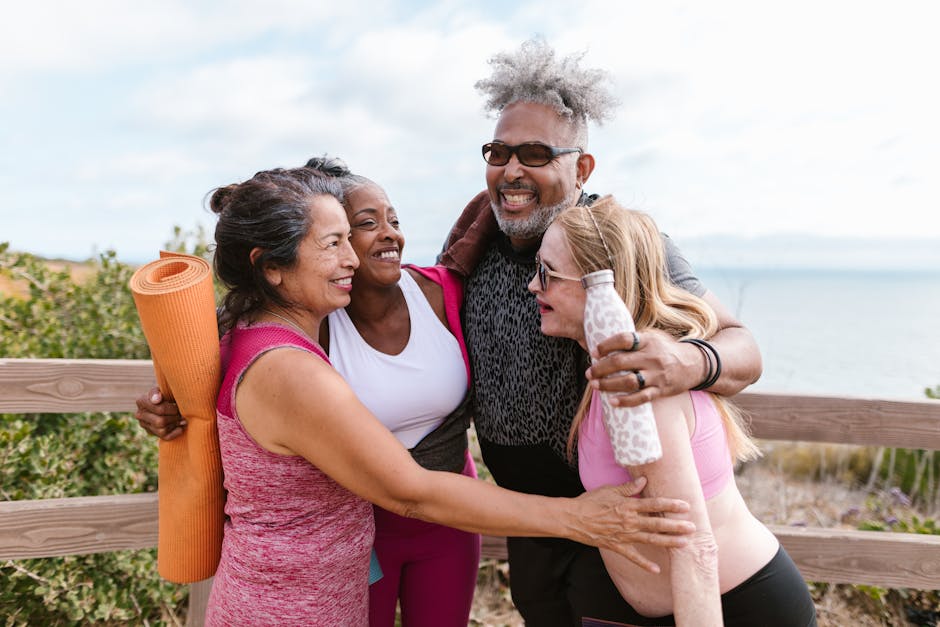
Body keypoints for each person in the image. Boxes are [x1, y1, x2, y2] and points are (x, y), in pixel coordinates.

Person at [197, 165, 695, 624]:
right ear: (270, 267)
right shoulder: (289, 369)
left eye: (351, 238)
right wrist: (579, 518)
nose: (352, 257)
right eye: (332, 243)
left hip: (306, 594)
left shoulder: (257, 337)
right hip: (287, 607)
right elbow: (409, 491)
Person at [436, 38, 764, 624]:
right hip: (528, 521)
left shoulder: (614, 244)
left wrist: (686, 363)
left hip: (615, 517)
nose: (511, 170)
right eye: (498, 151)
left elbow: (743, 347)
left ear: (581, 167)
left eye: (535, 153)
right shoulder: (471, 246)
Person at [529, 195, 816, 626]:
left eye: (546, 273)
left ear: (598, 283)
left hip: (736, 608)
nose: (533, 285)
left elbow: (695, 548)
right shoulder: (614, 371)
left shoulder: (649, 391)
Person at [310, 156, 480, 627]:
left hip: (452, 517)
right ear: (335, 242)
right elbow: (228, 364)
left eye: (394, 220)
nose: (390, 234)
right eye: (368, 224)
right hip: (360, 530)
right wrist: (170, 405)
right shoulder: (314, 324)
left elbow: (492, 213)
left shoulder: (440, 293)